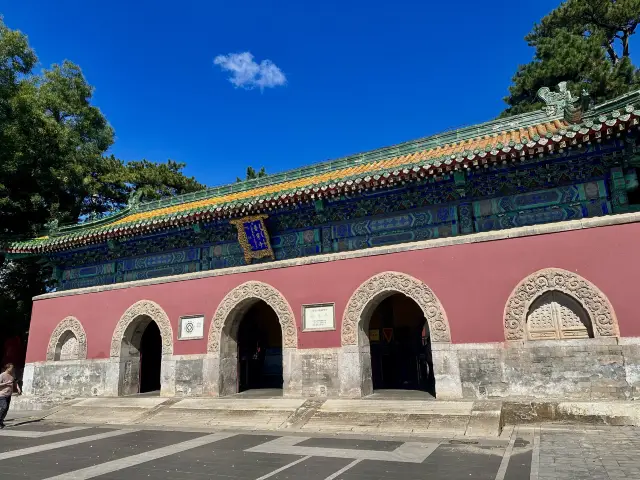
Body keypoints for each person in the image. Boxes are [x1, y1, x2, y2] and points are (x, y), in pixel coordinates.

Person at [0, 363, 21, 429]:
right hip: (2, 394)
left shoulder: (12, 375)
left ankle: (1, 421)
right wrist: (6, 383)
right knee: (4, 407)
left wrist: (18, 388)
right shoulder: (2, 375)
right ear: (8, 368)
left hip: (9, 394)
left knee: (6, 409)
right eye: (11, 368)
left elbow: (15, 382)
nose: (12, 369)